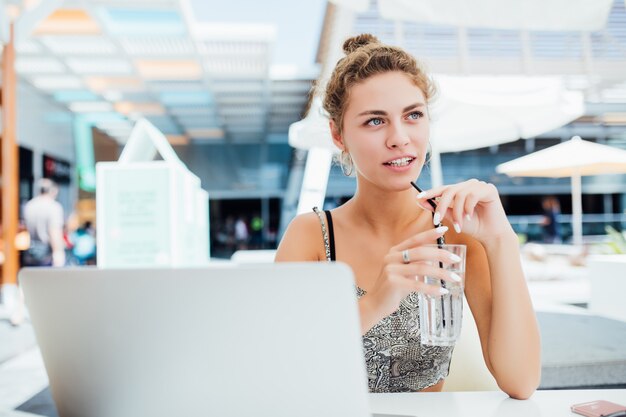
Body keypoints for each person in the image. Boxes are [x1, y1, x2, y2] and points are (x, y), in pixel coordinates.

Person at [275, 34, 540, 398]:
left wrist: (501, 239)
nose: (400, 138)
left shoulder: (457, 234)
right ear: (338, 135)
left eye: (413, 115)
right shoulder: (310, 236)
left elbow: (521, 381)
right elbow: (282, 371)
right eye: (374, 121)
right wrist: (374, 302)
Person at [23, 178, 66, 267]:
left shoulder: (29, 205)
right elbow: (54, 232)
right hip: (47, 255)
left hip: (31, 252)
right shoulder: (54, 207)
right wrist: (58, 253)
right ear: (53, 190)